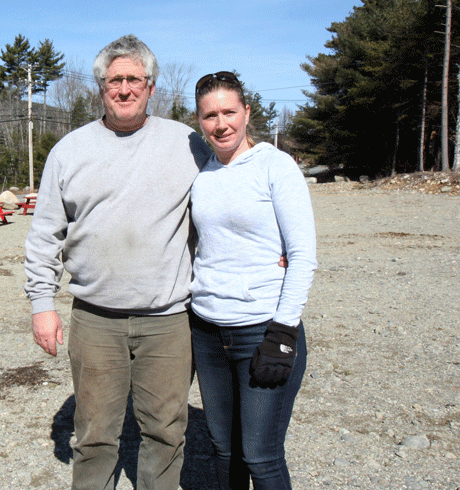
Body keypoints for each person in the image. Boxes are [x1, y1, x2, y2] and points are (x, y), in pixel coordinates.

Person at [24, 35, 212, 490]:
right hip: (95, 319)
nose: (124, 89)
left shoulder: (188, 144)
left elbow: (226, 207)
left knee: (166, 432)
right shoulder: (70, 150)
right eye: (114, 80)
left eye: (134, 79)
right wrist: (41, 304)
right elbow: (45, 232)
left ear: (151, 87)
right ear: (100, 88)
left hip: (168, 319)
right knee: (94, 436)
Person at [188, 71, 317, 490]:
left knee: (261, 456)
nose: (220, 123)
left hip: (261, 329)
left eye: (229, 111)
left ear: (246, 112)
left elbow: (302, 255)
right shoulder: (201, 175)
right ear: (199, 120)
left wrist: (283, 330)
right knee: (224, 449)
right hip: (207, 331)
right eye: (210, 115)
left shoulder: (274, 166)